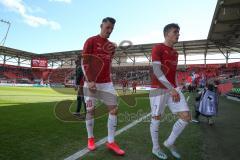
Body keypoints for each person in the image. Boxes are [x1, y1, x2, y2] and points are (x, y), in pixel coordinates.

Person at [81, 17, 125, 156]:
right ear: (101, 26)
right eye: (107, 27)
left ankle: (111, 141)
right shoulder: (91, 41)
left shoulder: (111, 46)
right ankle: (90, 139)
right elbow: (84, 62)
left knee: (114, 110)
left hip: (107, 83)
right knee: (90, 111)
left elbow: (108, 63)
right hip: (91, 83)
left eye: (112, 28)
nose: (110, 30)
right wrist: (90, 80)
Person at [149, 23, 191, 159]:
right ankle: (155, 148)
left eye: (178, 32)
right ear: (167, 34)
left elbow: (172, 74)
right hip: (158, 89)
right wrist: (171, 88)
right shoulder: (158, 48)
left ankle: (169, 142)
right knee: (156, 118)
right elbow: (156, 70)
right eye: (175, 32)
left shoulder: (175, 53)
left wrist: (177, 87)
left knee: (186, 116)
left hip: (173, 88)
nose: (178, 34)